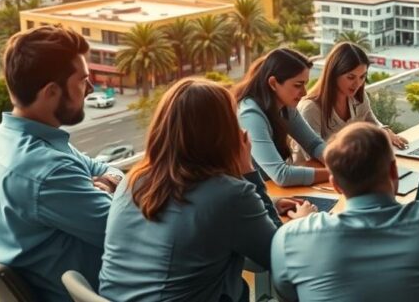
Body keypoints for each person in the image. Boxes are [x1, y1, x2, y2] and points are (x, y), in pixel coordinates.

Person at [99, 78, 313, 302]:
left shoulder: (132, 180)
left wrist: (257, 204)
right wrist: (303, 222)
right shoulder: (230, 195)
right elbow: (280, 260)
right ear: (224, 132)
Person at [0, 26, 121, 301]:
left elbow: (103, 169)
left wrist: (111, 184)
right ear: (51, 92)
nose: (90, 88)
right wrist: (111, 191)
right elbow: (130, 231)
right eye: (82, 80)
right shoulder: (47, 169)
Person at [271, 122, 419, 301]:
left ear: (336, 185)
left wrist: (301, 225)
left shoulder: (290, 238)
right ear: (394, 171)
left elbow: (290, 295)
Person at [292, 42, 407, 163]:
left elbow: (371, 121)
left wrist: (385, 132)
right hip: (314, 175)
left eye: (362, 77)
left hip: (345, 170)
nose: (357, 84)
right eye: (351, 77)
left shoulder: (358, 97)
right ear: (334, 74)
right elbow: (313, 154)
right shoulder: (311, 108)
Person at [236, 48, 330, 186]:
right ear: (273, 83)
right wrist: (336, 173)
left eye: (305, 84)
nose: (304, 92)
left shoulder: (284, 106)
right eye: (298, 85)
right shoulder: (250, 115)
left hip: (269, 192)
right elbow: (281, 175)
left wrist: (338, 164)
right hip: (247, 197)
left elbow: (313, 144)